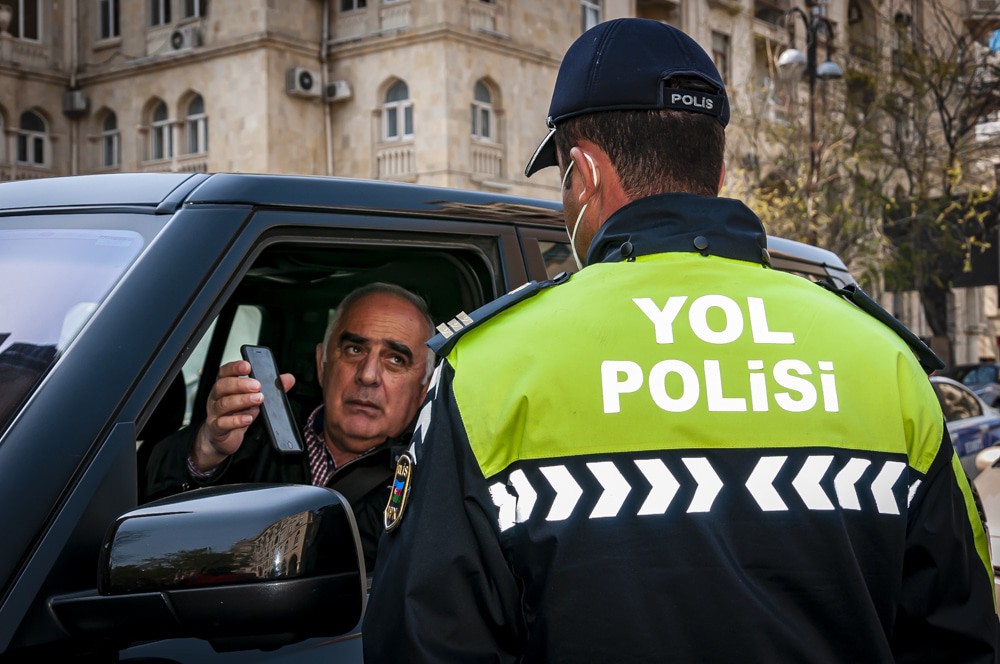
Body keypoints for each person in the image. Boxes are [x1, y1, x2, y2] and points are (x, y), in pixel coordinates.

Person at [363, 18, 1000, 662]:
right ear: (717, 172)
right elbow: (963, 633)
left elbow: (424, 641)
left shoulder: (488, 369)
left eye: (562, 180)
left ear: (584, 172)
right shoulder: (883, 359)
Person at [143, 281, 436, 573]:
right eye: (354, 349)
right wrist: (207, 449)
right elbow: (156, 520)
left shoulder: (429, 480)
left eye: (396, 359)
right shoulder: (255, 429)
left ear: (424, 390)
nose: (368, 375)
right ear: (322, 364)